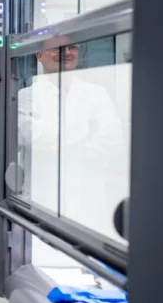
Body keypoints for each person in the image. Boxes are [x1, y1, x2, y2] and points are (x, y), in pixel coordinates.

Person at [18, 39, 128, 242]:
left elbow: (114, 143)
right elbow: (30, 136)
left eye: (72, 48)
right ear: (38, 55)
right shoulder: (26, 97)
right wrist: (87, 131)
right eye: (56, 48)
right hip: (42, 206)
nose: (66, 53)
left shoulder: (97, 94)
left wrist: (54, 137)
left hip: (90, 209)